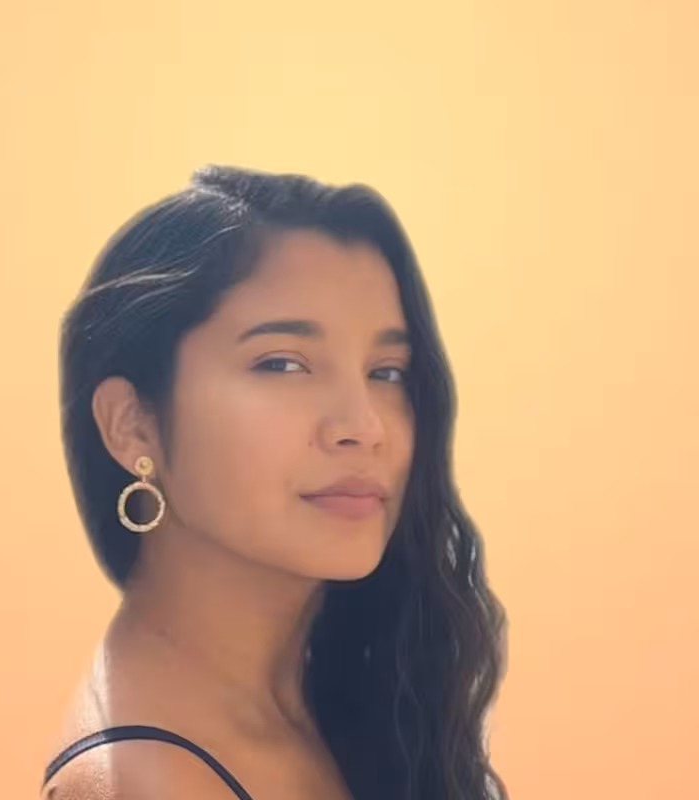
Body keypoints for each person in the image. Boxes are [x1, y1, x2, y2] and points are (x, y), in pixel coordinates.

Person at [41, 165, 509, 800]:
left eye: (387, 372)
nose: (364, 427)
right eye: (283, 364)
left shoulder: (350, 701)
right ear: (133, 426)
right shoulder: (146, 780)